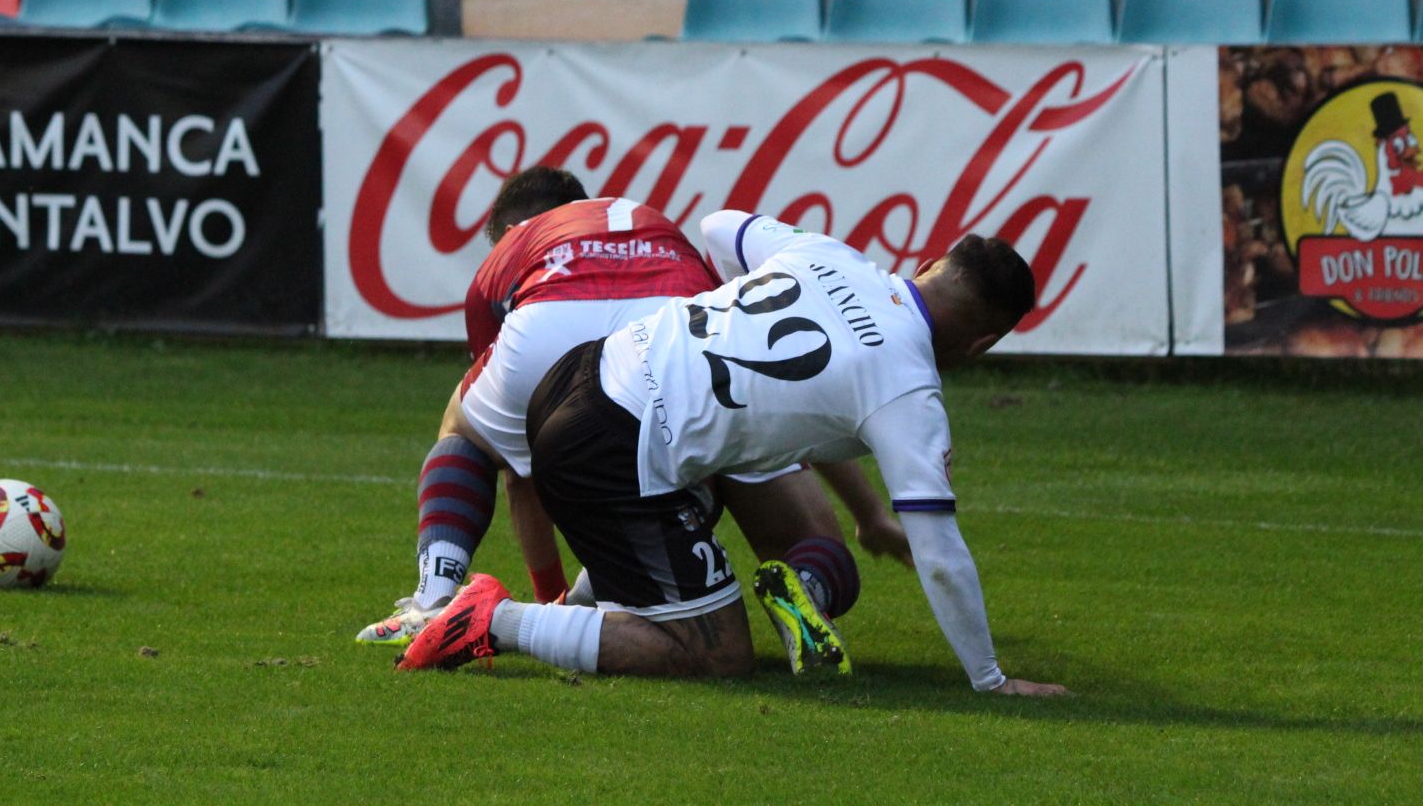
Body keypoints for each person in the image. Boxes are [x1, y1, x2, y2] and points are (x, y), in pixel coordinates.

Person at [399, 210, 1067, 698]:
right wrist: (991, 679)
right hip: (617, 444)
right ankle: (491, 619)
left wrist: (732, 305)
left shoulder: (831, 256)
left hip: (589, 370)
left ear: (927, 266)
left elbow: (720, 225)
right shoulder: (909, 389)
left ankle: (574, 608)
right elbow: (941, 554)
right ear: (982, 345)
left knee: (713, 471)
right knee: (715, 653)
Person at [358, 170, 911, 648]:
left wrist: (545, 592)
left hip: (552, 325)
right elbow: (776, 388)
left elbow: (519, 474)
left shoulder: (513, 251)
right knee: (782, 515)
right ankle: (808, 588)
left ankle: (436, 599)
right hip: (673, 337)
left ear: (508, 232)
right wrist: (870, 515)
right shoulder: (655, 225)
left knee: (465, 431)